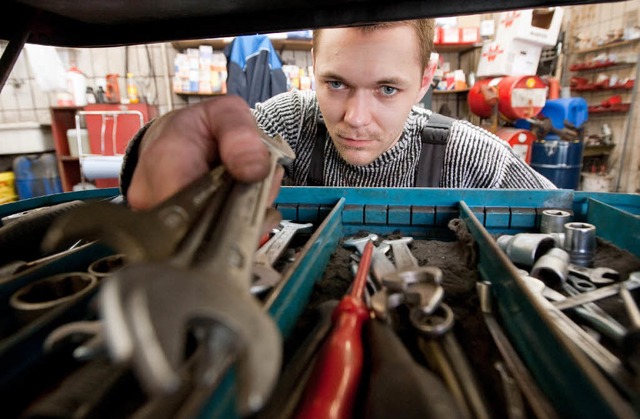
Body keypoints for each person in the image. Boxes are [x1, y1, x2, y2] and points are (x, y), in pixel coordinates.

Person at [122, 19, 555, 211]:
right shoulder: (285, 123)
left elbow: (565, 223)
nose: (356, 117)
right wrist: (151, 147)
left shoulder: (475, 162)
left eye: (387, 89)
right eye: (336, 83)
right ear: (313, 63)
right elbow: (186, 163)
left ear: (426, 77)